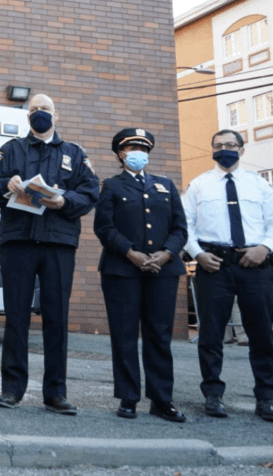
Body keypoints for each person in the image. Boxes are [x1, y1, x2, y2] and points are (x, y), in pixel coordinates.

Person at [0, 94, 99, 415]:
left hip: (58, 244)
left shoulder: (74, 153)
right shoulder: (11, 150)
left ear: (56, 115)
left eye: (45, 109)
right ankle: (11, 389)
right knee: (16, 317)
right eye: (33, 109)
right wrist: (6, 184)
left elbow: (91, 191)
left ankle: (56, 393)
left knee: (56, 317)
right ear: (27, 116)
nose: (39, 114)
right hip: (17, 241)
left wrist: (64, 201)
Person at [183, 129, 273, 423]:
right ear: (212, 149)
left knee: (262, 335)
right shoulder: (199, 185)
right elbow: (184, 224)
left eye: (231, 144)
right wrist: (197, 253)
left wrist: (264, 248)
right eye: (218, 145)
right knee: (211, 335)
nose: (224, 149)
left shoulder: (259, 185)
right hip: (213, 265)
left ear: (241, 150)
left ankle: (266, 399)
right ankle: (212, 395)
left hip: (254, 265)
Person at [93, 128, 187, 422]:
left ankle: (161, 399)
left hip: (163, 271)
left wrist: (167, 253)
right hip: (122, 270)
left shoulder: (165, 185)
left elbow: (180, 228)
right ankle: (128, 397)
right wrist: (131, 253)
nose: (139, 154)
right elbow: (104, 228)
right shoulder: (111, 185)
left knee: (159, 335)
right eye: (133, 149)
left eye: (144, 149)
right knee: (124, 334)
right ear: (121, 154)